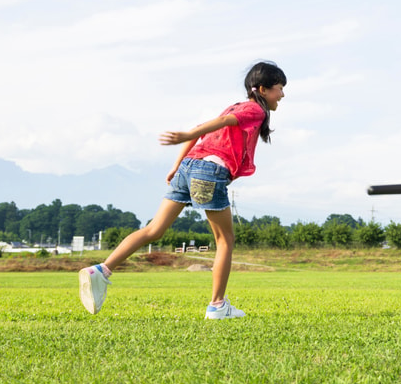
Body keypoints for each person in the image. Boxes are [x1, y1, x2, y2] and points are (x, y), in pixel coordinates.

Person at [78, 61, 287, 320]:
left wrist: (176, 166)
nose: (283, 94)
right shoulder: (255, 110)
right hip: (208, 172)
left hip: (188, 168)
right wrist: (186, 135)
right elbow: (217, 123)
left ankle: (102, 270)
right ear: (264, 89)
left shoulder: (237, 106)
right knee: (225, 240)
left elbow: (203, 132)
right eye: (280, 88)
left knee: (153, 230)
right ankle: (217, 305)